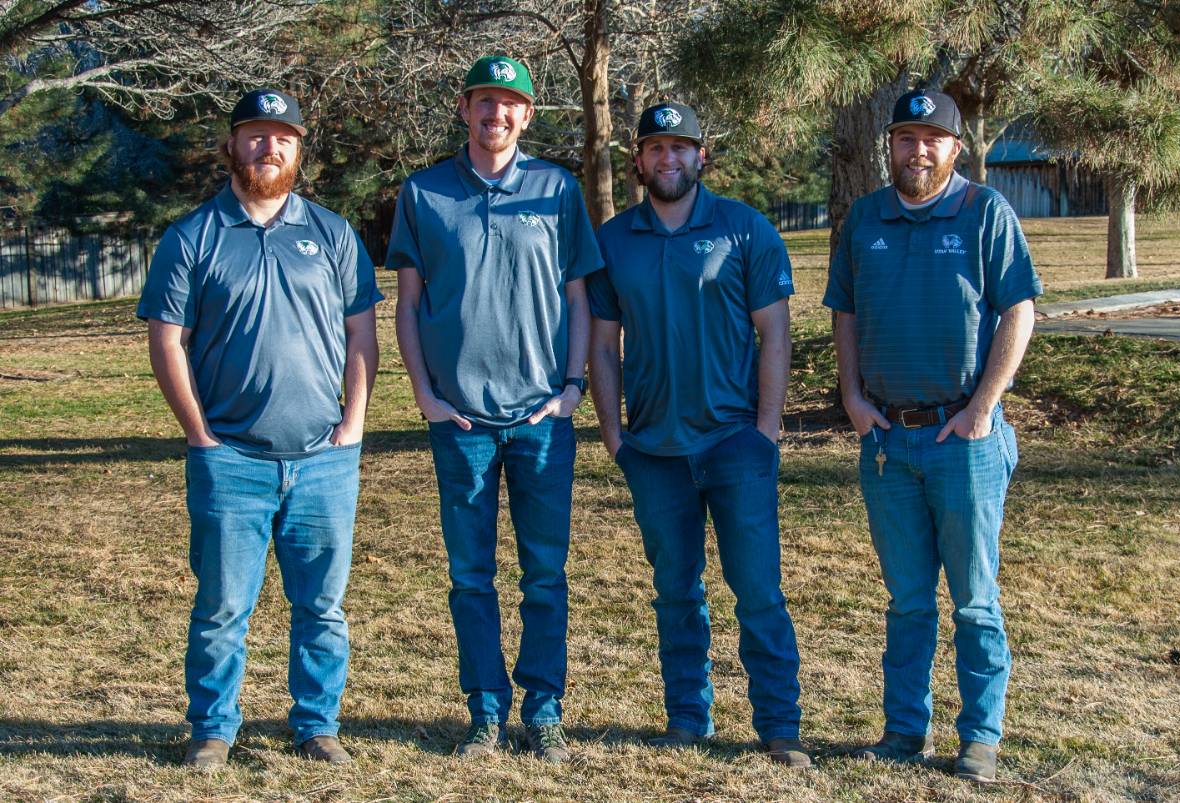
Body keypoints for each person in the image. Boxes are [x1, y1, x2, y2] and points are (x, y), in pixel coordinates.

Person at [138, 88, 383, 770]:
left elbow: (362, 335)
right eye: (255, 134)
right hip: (231, 460)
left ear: (299, 149)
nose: (268, 147)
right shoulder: (192, 236)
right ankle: (214, 728)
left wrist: (352, 427)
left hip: (323, 460)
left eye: (282, 136)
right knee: (221, 608)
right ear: (232, 144)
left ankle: (317, 724)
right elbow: (167, 341)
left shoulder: (332, 234)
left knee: (324, 609)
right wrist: (199, 434)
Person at [385, 55, 602, 763]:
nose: (496, 114)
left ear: (527, 114)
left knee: (544, 573)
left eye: (511, 104)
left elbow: (579, 299)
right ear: (464, 106)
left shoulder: (558, 189)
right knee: (470, 576)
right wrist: (424, 393)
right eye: (485, 101)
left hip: (541, 418)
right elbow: (409, 304)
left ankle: (544, 710)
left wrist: (572, 389)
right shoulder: (423, 193)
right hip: (462, 421)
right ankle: (484, 711)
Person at [823, 88, 1041, 782]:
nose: (917, 151)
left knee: (974, 600)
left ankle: (979, 736)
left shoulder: (985, 213)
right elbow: (846, 313)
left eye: (931, 140)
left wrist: (983, 407)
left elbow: (1019, 312)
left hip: (964, 438)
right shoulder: (865, 217)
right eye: (905, 138)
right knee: (908, 600)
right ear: (888, 145)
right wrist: (852, 396)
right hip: (888, 438)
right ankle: (902, 731)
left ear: (955, 148)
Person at [588, 102, 810, 769]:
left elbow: (775, 333)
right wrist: (614, 437)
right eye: (655, 148)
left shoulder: (743, 229)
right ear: (639, 159)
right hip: (653, 452)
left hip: (734, 444)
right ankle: (688, 715)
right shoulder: (614, 238)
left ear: (700, 156)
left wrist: (765, 432)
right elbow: (603, 345)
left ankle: (779, 726)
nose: (668, 159)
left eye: (681, 147)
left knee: (759, 592)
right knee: (675, 590)